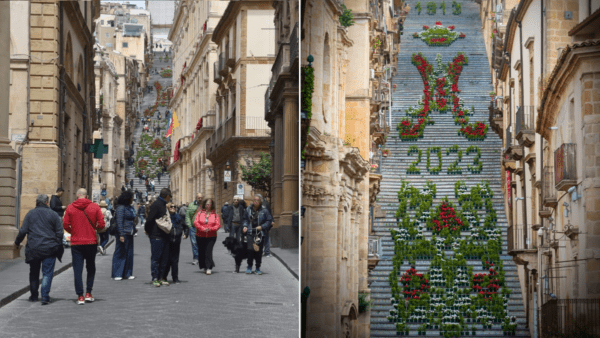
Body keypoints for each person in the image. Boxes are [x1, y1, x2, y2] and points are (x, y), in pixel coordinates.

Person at [14, 194, 64, 305]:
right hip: (49, 248)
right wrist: (56, 243)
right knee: (47, 273)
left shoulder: (30, 214)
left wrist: (17, 242)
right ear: (47, 202)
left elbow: (22, 231)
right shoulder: (54, 214)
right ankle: (45, 296)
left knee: (34, 272)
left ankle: (34, 296)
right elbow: (60, 232)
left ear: (37, 202)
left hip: (34, 248)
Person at [63, 188, 106, 305]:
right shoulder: (94, 207)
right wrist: (94, 230)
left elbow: (65, 224)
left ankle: (80, 296)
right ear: (86, 196)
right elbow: (102, 224)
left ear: (77, 196)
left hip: (76, 243)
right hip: (91, 242)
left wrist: (73, 232)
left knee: (77, 269)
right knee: (91, 267)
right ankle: (88, 293)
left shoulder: (70, 207)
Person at [144, 188, 172, 287]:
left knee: (164, 258)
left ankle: (161, 277)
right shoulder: (157, 204)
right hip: (156, 235)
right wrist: (147, 230)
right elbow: (150, 219)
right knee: (156, 258)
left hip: (164, 235)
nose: (170, 199)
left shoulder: (163, 204)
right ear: (167, 196)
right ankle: (155, 277)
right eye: (170, 197)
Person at [243, 195, 273, 275]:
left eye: (258, 200)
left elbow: (269, 220)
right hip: (250, 232)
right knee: (250, 250)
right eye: (254, 200)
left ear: (260, 201)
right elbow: (245, 219)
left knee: (258, 251)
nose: (256, 201)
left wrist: (262, 227)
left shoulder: (264, 210)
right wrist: (245, 226)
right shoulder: (248, 209)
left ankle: (257, 267)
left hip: (260, 234)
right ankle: (249, 266)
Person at [112, 190, 136, 281]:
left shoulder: (129, 207)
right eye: (131, 198)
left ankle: (127, 273)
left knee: (129, 253)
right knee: (120, 253)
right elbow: (119, 222)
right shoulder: (121, 208)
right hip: (123, 233)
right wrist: (121, 234)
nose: (132, 199)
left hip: (130, 232)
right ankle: (117, 273)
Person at [194, 198, 221, 275]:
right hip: (200, 235)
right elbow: (196, 222)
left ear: (212, 205)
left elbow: (218, 225)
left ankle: (209, 267)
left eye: (209, 204)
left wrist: (210, 229)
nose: (208, 205)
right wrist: (202, 228)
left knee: (208, 251)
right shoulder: (199, 213)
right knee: (202, 251)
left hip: (211, 236)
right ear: (204, 205)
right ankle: (204, 266)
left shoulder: (215, 214)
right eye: (206, 204)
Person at [164, 203, 188, 283]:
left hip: (176, 242)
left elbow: (186, 226)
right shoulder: (165, 218)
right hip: (167, 241)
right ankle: (164, 277)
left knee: (175, 261)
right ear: (168, 208)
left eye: (175, 206)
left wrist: (186, 234)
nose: (173, 208)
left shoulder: (179, 218)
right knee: (166, 260)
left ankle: (175, 278)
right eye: (171, 206)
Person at [224, 195, 248, 273]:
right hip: (233, 223)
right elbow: (225, 215)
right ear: (233, 200)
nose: (236, 201)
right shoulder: (230, 207)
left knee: (238, 239)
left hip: (239, 224)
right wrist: (227, 223)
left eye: (237, 200)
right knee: (231, 238)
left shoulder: (241, 208)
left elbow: (244, 216)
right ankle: (231, 250)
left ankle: (236, 251)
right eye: (235, 200)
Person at [185, 194, 202, 265]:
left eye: (201, 197)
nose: (200, 199)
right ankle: (195, 258)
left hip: (202, 228)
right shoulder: (191, 205)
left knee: (201, 243)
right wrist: (189, 225)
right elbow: (187, 216)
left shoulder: (205, 205)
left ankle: (201, 258)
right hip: (193, 228)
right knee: (194, 243)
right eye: (199, 197)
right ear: (196, 197)